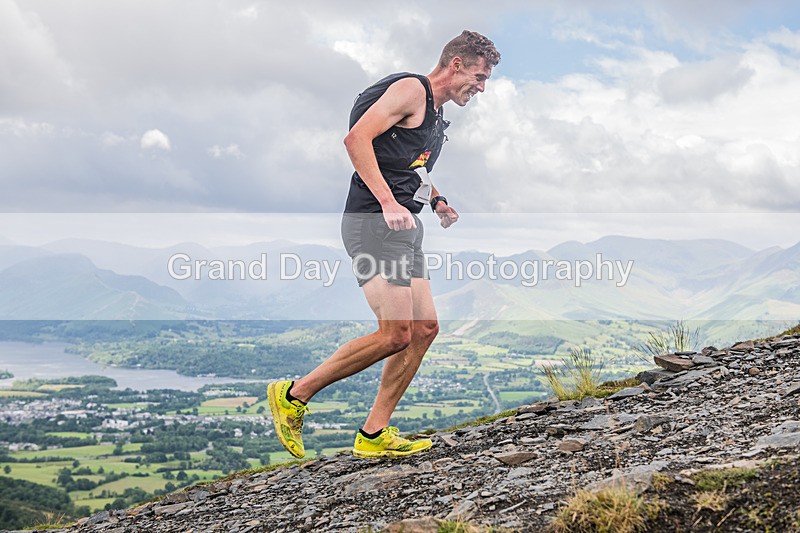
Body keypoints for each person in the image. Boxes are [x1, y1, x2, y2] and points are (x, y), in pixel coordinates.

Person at [268, 30, 500, 459]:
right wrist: (389, 202)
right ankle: (294, 394)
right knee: (395, 334)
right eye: (480, 76)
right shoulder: (412, 90)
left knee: (425, 329)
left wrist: (438, 201)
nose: (482, 88)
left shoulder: (435, 118)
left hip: (403, 226)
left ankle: (374, 434)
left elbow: (412, 168)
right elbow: (356, 139)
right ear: (456, 65)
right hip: (374, 222)